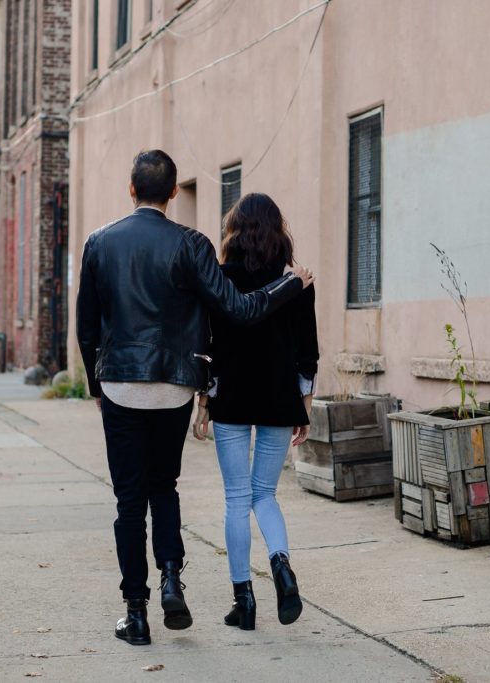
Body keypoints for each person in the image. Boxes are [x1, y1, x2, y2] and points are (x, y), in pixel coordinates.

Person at [75, 152, 314, 646]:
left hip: (121, 383)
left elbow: (86, 325)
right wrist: (291, 284)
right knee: (164, 488)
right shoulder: (191, 244)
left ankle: (135, 613)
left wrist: (97, 384)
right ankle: (170, 583)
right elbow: (240, 311)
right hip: (174, 387)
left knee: (128, 500)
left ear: (131, 189)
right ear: (171, 194)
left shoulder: (98, 243)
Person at [192, 193, 319, 631]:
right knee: (265, 494)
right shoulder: (297, 281)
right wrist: (304, 404)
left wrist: (204, 401)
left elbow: (209, 346)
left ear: (235, 231)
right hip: (278, 397)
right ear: (278, 232)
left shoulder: (221, 277)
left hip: (233, 397)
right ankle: (282, 568)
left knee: (236, 498)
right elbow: (308, 350)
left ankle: (243, 602)